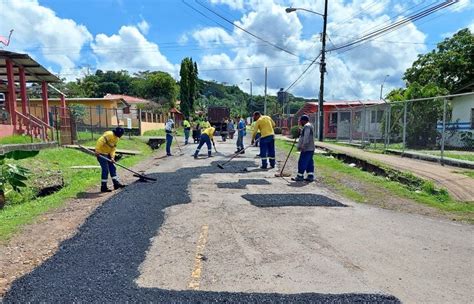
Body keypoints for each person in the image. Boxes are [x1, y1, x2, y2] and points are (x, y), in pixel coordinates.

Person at [95, 127, 126, 192]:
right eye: (121, 134)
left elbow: (113, 149)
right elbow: (100, 141)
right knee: (105, 169)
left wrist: (112, 157)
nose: (121, 135)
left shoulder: (116, 138)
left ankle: (116, 184)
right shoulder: (109, 134)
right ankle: (103, 187)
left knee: (113, 168)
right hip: (101, 154)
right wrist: (97, 150)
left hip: (108, 154)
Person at [292, 115, 315, 182]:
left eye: (300, 121)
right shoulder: (308, 126)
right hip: (311, 148)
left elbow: (306, 137)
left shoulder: (307, 126)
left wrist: (303, 146)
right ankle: (310, 176)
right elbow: (306, 134)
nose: (300, 122)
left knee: (302, 161)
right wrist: (301, 131)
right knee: (309, 162)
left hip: (307, 148)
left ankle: (300, 176)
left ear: (303, 120)